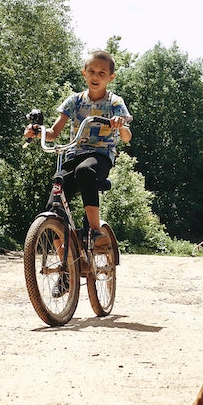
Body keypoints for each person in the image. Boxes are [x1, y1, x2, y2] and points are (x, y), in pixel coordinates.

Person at [25, 49, 132, 252]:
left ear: (111, 77)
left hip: (100, 157)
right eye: (91, 71)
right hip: (74, 155)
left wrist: (121, 125)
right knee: (54, 203)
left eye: (102, 73)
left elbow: (127, 137)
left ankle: (96, 232)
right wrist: (37, 132)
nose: (95, 76)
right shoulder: (75, 101)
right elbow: (54, 133)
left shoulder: (115, 102)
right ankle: (67, 269)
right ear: (84, 73)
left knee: (85, 171)